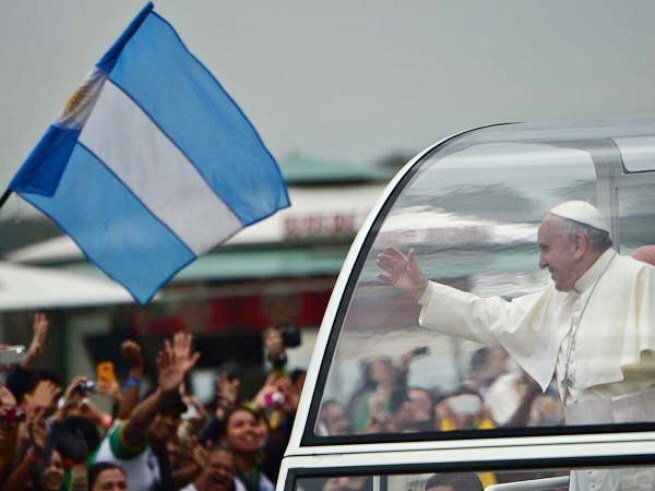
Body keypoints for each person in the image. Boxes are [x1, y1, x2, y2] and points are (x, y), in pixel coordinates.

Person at [377, 200, 655, 490]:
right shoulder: (560, 299)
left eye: (546, 248)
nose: (541, 262)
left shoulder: (642, 281)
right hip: (590, 471)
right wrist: (425, 291)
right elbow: (493, 317)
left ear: (577, 245)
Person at [179, 445, 246, 491]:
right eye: (216, 466)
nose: (222, 473)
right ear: (204, 467)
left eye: (228, 470)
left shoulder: (238, 486)